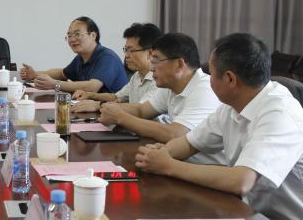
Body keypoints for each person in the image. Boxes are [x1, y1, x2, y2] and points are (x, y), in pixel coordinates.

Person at [136, 33, 303, 220]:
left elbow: (241, 181)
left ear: (230, 79)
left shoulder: (280, 113)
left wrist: (169, 166)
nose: (207, 79)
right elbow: (189, 143)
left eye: (211, 74)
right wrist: (161, 153)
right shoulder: (232, 106)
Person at [91, 33, 219, 143]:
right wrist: (109, 108)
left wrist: (120, 117)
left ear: (179, 64)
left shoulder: (205, 89)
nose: (151, 68)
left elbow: (174, 134)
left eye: (156, 61)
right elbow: (141, 110)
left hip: (201, 163)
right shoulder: (170, 86)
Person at [19, 16, 128, 94]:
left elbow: (92, 87)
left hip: (114, 113)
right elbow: (62, 73)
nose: (72, 39)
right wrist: (35, 74)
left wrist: (55, 84)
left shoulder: (107, 57)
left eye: (77, 34)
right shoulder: (81, 57)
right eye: (69, 36)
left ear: (93, 35)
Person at [73, 22, 162, 108]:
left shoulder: (159, 80)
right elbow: (116, 97)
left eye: (131, 50)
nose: (126, 55)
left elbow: (140, 109)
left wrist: (98, 105)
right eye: (126, 50)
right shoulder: (137, 76)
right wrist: (89, 95)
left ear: (150, 53)